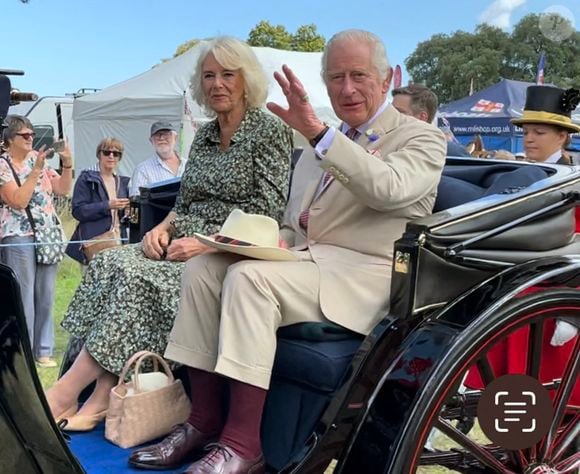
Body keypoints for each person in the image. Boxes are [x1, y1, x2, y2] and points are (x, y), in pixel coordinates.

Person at [129, 29, 446, 474]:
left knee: (249, 279)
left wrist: (318, 134)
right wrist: (261, 243)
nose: (347, 88)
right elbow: (294, 221)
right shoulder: (325, 142)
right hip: (305, 264)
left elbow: (389, 189)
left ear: (387, 77)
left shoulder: (419, 138)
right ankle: (202, 422)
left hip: (368, 279)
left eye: (359, 75)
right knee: (204, 267)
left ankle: (243, 445)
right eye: (335, 77)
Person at [46, 36, 293, 430]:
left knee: (139, 277)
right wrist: (159, 228)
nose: (217, 84)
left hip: (227, 250)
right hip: (181, 239)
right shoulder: (206, 136)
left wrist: (204, 243)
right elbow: (185, 200)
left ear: (246, 80)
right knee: (109, 261)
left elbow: (267, 212)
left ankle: (64, 395)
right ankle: (100, 392)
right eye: (209, 75)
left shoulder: (268, 132)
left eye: (228, 75)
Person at [0, 115, 74, 368]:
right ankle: (24, 352)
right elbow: (18, 200)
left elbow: (62, 189)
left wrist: (67, 163)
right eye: (25, 135)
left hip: (48, 234)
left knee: (46, 294)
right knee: (23, 294)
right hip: (17, 235)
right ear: (9, 139)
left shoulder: (36, 160)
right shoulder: (3, 165)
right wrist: (35, 172)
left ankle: (43, 350)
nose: (31, 138)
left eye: (32, 134)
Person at [66, 138, 130, 265]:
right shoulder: (86, 178)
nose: (111, 156)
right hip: (94, 241)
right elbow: (78, 211)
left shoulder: (123, 182)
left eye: (116, 153)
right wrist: (107, 205)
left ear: (119, 158)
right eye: (107, 152)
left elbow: (122, 217)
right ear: (99, 154)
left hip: (119, 242)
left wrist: (126, 212)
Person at [391, 85, 471, 158]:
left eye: (399, 112)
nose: (391, 116)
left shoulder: (451, 153)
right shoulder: (385, 145)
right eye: (391, 111)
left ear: (422, 117)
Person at [511, 85, 580, 164]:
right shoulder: (521, 171)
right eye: (525, 132)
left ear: (561, 137)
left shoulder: (568, 174)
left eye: (539, 132)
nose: (528, 139)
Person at [129, 121, 186, 197]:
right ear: (151, 141)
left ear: (175, 138)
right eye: (157, 135)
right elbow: (136, 199)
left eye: (166, 134)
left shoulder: (189, 165)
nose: (161, 138)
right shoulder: (143, 169)